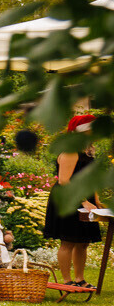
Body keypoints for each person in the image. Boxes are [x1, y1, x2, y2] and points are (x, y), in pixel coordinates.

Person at [45, 113, 106, 291]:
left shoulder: (87, 151)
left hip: (85, 198)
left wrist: (97, 200)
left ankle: (80, 279)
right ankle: (67, 281)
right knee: (68, 241)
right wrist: (83, 201)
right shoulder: (70, 151)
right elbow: (64, 181)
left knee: (83, 241)